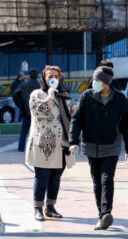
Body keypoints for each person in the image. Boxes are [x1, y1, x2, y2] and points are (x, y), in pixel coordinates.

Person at [69, 66, 128, 230]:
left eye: (97, 80)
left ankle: (106, 213)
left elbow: (127, 124)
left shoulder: (120, 99)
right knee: (97, 182)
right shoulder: (87, 96)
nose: (94, 82)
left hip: (111, 146)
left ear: (106, 82)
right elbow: (77, 120)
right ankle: (102, 215)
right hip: (91, 145)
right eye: (94, 79)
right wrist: (73, 141)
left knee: (107, 179)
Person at [26, 65, 76, 221]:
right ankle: (38, 208)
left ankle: (51, 206)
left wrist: (73, 111)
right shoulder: (37, 93)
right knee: (42, 176)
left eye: (56, 75)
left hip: (62, 141)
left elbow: (70, 113)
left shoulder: (64, 94)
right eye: (49, 76)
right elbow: (39, 112)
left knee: (56, 176)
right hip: (44, 143)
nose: (53, 78)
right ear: (44, 78)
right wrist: (49, 96)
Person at [17, 69, 40, 152]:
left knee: (24, 130)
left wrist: (20, 106)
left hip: (26, 111)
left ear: (29, 76)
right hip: (37, 111)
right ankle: (35, 148)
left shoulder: (24, 84)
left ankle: (21, 147)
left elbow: (15, 94)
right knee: (37, 130)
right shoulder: (40, 85)